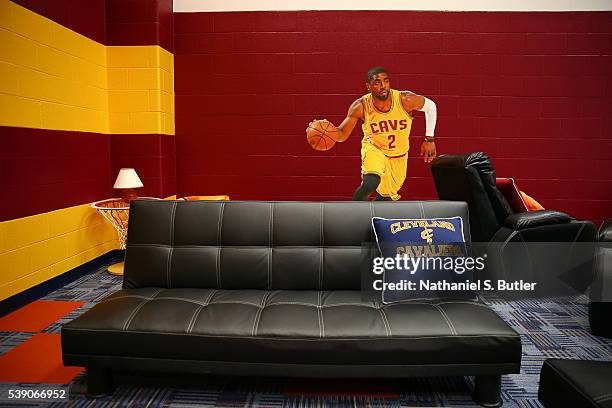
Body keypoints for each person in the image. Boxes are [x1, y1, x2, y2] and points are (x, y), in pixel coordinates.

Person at [315, 66, 438, 201]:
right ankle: (354, 216)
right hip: (374, 148)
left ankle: (370, 219)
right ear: (368, 86)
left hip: (398, 155)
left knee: (386, 199)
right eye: (377, 83)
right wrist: (328, 132)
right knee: (371, 182)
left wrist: (429, 139)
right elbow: (342, 134)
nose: (383, 86)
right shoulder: (361, 106)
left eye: (386, 81)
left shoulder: (404, 99)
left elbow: (431, 106)